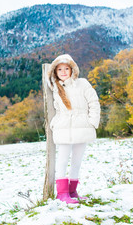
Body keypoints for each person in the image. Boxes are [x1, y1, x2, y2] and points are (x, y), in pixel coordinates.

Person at [46, 54, 100, 204]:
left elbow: (93, 102)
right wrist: (54, 123)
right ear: (55, 72)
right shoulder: (55, 88)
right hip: (63, 128)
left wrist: (92, 122)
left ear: (72, 69)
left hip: (82, 126)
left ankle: (72, 191)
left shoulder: (82, 84)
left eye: (66, 68)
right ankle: (62, 193)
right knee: (62, 160)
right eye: (59, 69)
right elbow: (55, 109)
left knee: (77, 161)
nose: (63, 72)